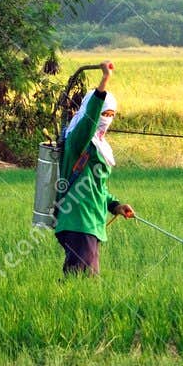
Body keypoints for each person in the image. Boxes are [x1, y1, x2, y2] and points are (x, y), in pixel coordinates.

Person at [54, 61, 134, 275]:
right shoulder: (78, 140)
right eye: (103, 114)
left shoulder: (100, 146)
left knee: (80, 281)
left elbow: (97, 187)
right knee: (82, 281)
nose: (106, 119)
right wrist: (104, 81)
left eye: (110, 115)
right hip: (78, 219)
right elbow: (90, 119)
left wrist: (115, 205)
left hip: (91, 223)